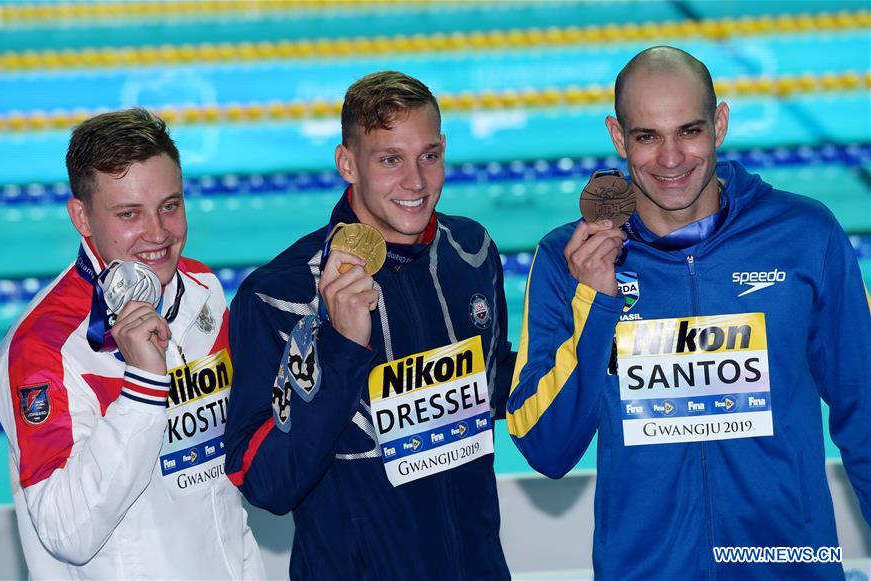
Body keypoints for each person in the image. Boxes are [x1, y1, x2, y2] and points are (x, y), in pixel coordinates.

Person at [506, 46, 871, 579]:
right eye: (647, 137)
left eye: (689, 131)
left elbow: (865, 408)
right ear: (618, 137)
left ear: (719, 124)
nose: (671, 158)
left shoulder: (804, 235)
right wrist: (595, 303)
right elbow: (547, 450)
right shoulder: (568, 260)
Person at [223, 71, 515, 579]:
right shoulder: (279, 296)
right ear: (347, 164)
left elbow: (493, 381)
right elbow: (266, 484)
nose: (416, 182)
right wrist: (341, 349)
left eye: (428, 155)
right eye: (389, 160)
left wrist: (602, 345)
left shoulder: (471, 252)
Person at [0, 108, 264, 579]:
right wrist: (143, 386)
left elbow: (221, 490)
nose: (157, 234)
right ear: (82, 217)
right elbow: (67, 532)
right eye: (129, 214)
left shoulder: (203, 290)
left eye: (169, 206)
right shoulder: (44, 346)